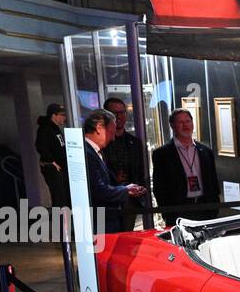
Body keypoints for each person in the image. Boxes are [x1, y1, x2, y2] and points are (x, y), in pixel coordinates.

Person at [83, 109, 146, 235]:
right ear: (99, 128)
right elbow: (98, 191)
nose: (112, 138)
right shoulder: (87, 154)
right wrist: (126, 190)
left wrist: (126, 188)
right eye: (111, 132)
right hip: (99, 221)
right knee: (103, 254)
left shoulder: (94, 152)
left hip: (105, 219)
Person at [152, 109, 220, 224]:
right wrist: (167, 213)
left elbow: (213, 182)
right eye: (180, 122)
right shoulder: (162, 154)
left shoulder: (206, 151)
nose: (185, 125)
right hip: (178, 211)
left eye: (188, 121)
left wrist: (214, 207)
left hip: (205, 208)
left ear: (192, 123)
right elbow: (159, 187)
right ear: (172, 125)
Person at [101, 97, 145, 231]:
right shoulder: (100, 143)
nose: (118, 117)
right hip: (106, 202)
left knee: (126, 239)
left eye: (122, 113)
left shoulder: (135, 142)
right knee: (107, 242)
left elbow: (140, 171)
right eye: (114, 113)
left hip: (129, 201)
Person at [35, 103, 69, 209]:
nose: (64, 117)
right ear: (54, 115)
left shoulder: (55, 128)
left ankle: (64, 222)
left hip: (60, 166)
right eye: (62, 115)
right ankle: (59, 223)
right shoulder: (45, 129)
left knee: (64, 196)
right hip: (53, 168)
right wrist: (52, 162)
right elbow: (40, 146)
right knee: (59, 198)